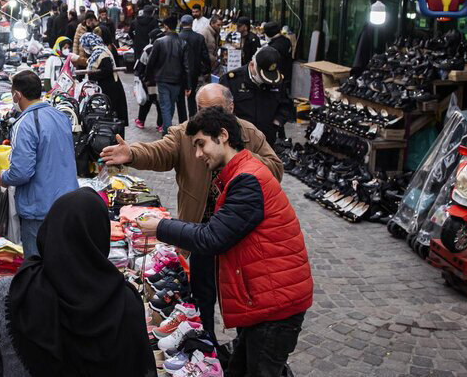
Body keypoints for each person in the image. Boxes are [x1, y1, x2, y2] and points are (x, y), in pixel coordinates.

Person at [101, 83, 283, 344]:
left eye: (216, 110)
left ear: (231, 108)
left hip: (240, 235)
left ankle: (245, 349)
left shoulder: (248, 133)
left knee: (245, 297)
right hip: (200, 231)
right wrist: (131, 153)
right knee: (202, 295)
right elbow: (160, 151)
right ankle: (205, 343)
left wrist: (235, 155)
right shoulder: (187, 133)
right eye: (200, 110)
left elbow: (275, 170)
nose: (207, 118)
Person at [136, 108, 312, 377]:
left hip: (276, 305)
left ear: (223, 136)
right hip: (265, 300)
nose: (197, 154)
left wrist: (161, 227)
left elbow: (212, 237)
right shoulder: (238, 174)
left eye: (201, 144)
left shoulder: (248, 180)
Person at [0, 188, 155, 377]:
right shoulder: (125, 301)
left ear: (50, 229)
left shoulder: (13, 291)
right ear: (101, 237)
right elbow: (140, 367)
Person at [0, 71, 78, 258]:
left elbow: (21, 172)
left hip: (39, 209)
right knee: (61, 262)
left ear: (17, 95)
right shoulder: (60, 116)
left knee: (36, 268)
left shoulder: (24, 123)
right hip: (67, 203)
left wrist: (3, 177)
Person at [221, 46, 294, 145]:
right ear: (252, 65)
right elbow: (221, 111)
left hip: (267, 140)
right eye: (263, 76)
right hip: (239, 140)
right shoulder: (232, 80)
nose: (266, 81)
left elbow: (285, 104)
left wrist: (277, 122)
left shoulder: (277, 81)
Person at [145, 16, 189, 130]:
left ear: (166, 27)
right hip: (177, 79)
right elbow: (186, 66)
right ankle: (168, 129)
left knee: (165, 105)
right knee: (170, 105)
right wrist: (187, 84)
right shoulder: (182, 43)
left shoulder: (159, 42)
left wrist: (147, 77)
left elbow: (151, 62)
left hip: (162, 78)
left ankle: (167, 131)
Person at [78, 32, 128, 122]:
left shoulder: (100, 52)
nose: (84, 48)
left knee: (111, 116)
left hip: (109, 88)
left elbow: (107, 70)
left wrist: (92, 76)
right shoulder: (100, 51)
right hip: (109, 86)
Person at [178, 14, 211, 122]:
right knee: (192, 97)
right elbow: (205, 56)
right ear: (192, 24)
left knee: (180, 99)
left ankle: (182, 121)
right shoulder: (199, 38)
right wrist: (207, 69)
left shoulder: (178, 37)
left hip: (180, 71)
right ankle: (192, 119)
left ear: (182, 24)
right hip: (194, 71)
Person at [133, 28, 164, 132]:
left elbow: (140, 65)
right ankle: (161, 125)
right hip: (162, 81)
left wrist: (140, 78)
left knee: (146, 101)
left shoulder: (148, 49)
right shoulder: (166, 46)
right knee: (161, 103)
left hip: (149, 81)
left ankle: (141, 121)